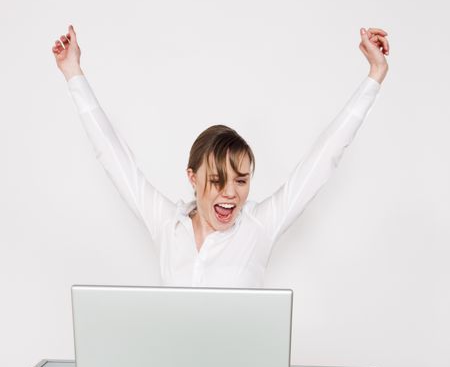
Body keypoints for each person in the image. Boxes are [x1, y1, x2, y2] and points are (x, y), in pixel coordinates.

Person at [52, 24, 389, 288]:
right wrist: (73, 73)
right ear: (192, 177)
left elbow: (323, 158)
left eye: (241, 181)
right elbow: (113, 157)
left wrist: (374, 75)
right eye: (217, 180)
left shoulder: (259, 227)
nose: (231, 193)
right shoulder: (168, 225)